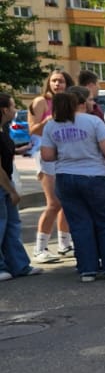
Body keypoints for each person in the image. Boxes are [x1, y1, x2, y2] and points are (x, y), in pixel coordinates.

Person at [40, 87, 105, 282]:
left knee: (79, 224)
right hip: (94, 175)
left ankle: (87, 269)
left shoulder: (51, 125)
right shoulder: (93, 121)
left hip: (65, 176)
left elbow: (46, 155)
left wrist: (65, 153)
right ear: (77, 103)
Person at [28, 68, 72, 262]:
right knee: (54, 203)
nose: (57, 84)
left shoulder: (68, 102)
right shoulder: (41, 102)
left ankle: (64, 244)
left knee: (66, 202)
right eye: (54, 81)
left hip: (64, 154)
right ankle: (39, 248)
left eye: (61, 81)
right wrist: (48, 120)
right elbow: (33, 130)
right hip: (45, 155)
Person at [0, 91, 43, 281]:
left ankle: (19, 265)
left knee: (12, 225)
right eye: (12, 106)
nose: (15, 109)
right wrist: (11, 190)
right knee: (1, 225)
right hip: (3, 184)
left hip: (6, 183)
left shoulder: (4, 130)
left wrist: (19, 150)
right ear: (4, 110)